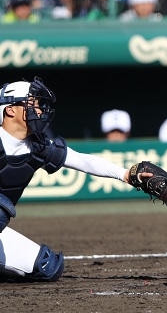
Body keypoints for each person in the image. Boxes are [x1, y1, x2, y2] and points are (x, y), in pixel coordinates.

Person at [0, 77, 152, 281]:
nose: (39, 110)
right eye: (32, 104)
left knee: (48, 266)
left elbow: (81, 160)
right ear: (10, 110)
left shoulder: (38, 146)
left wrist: (126, 174)